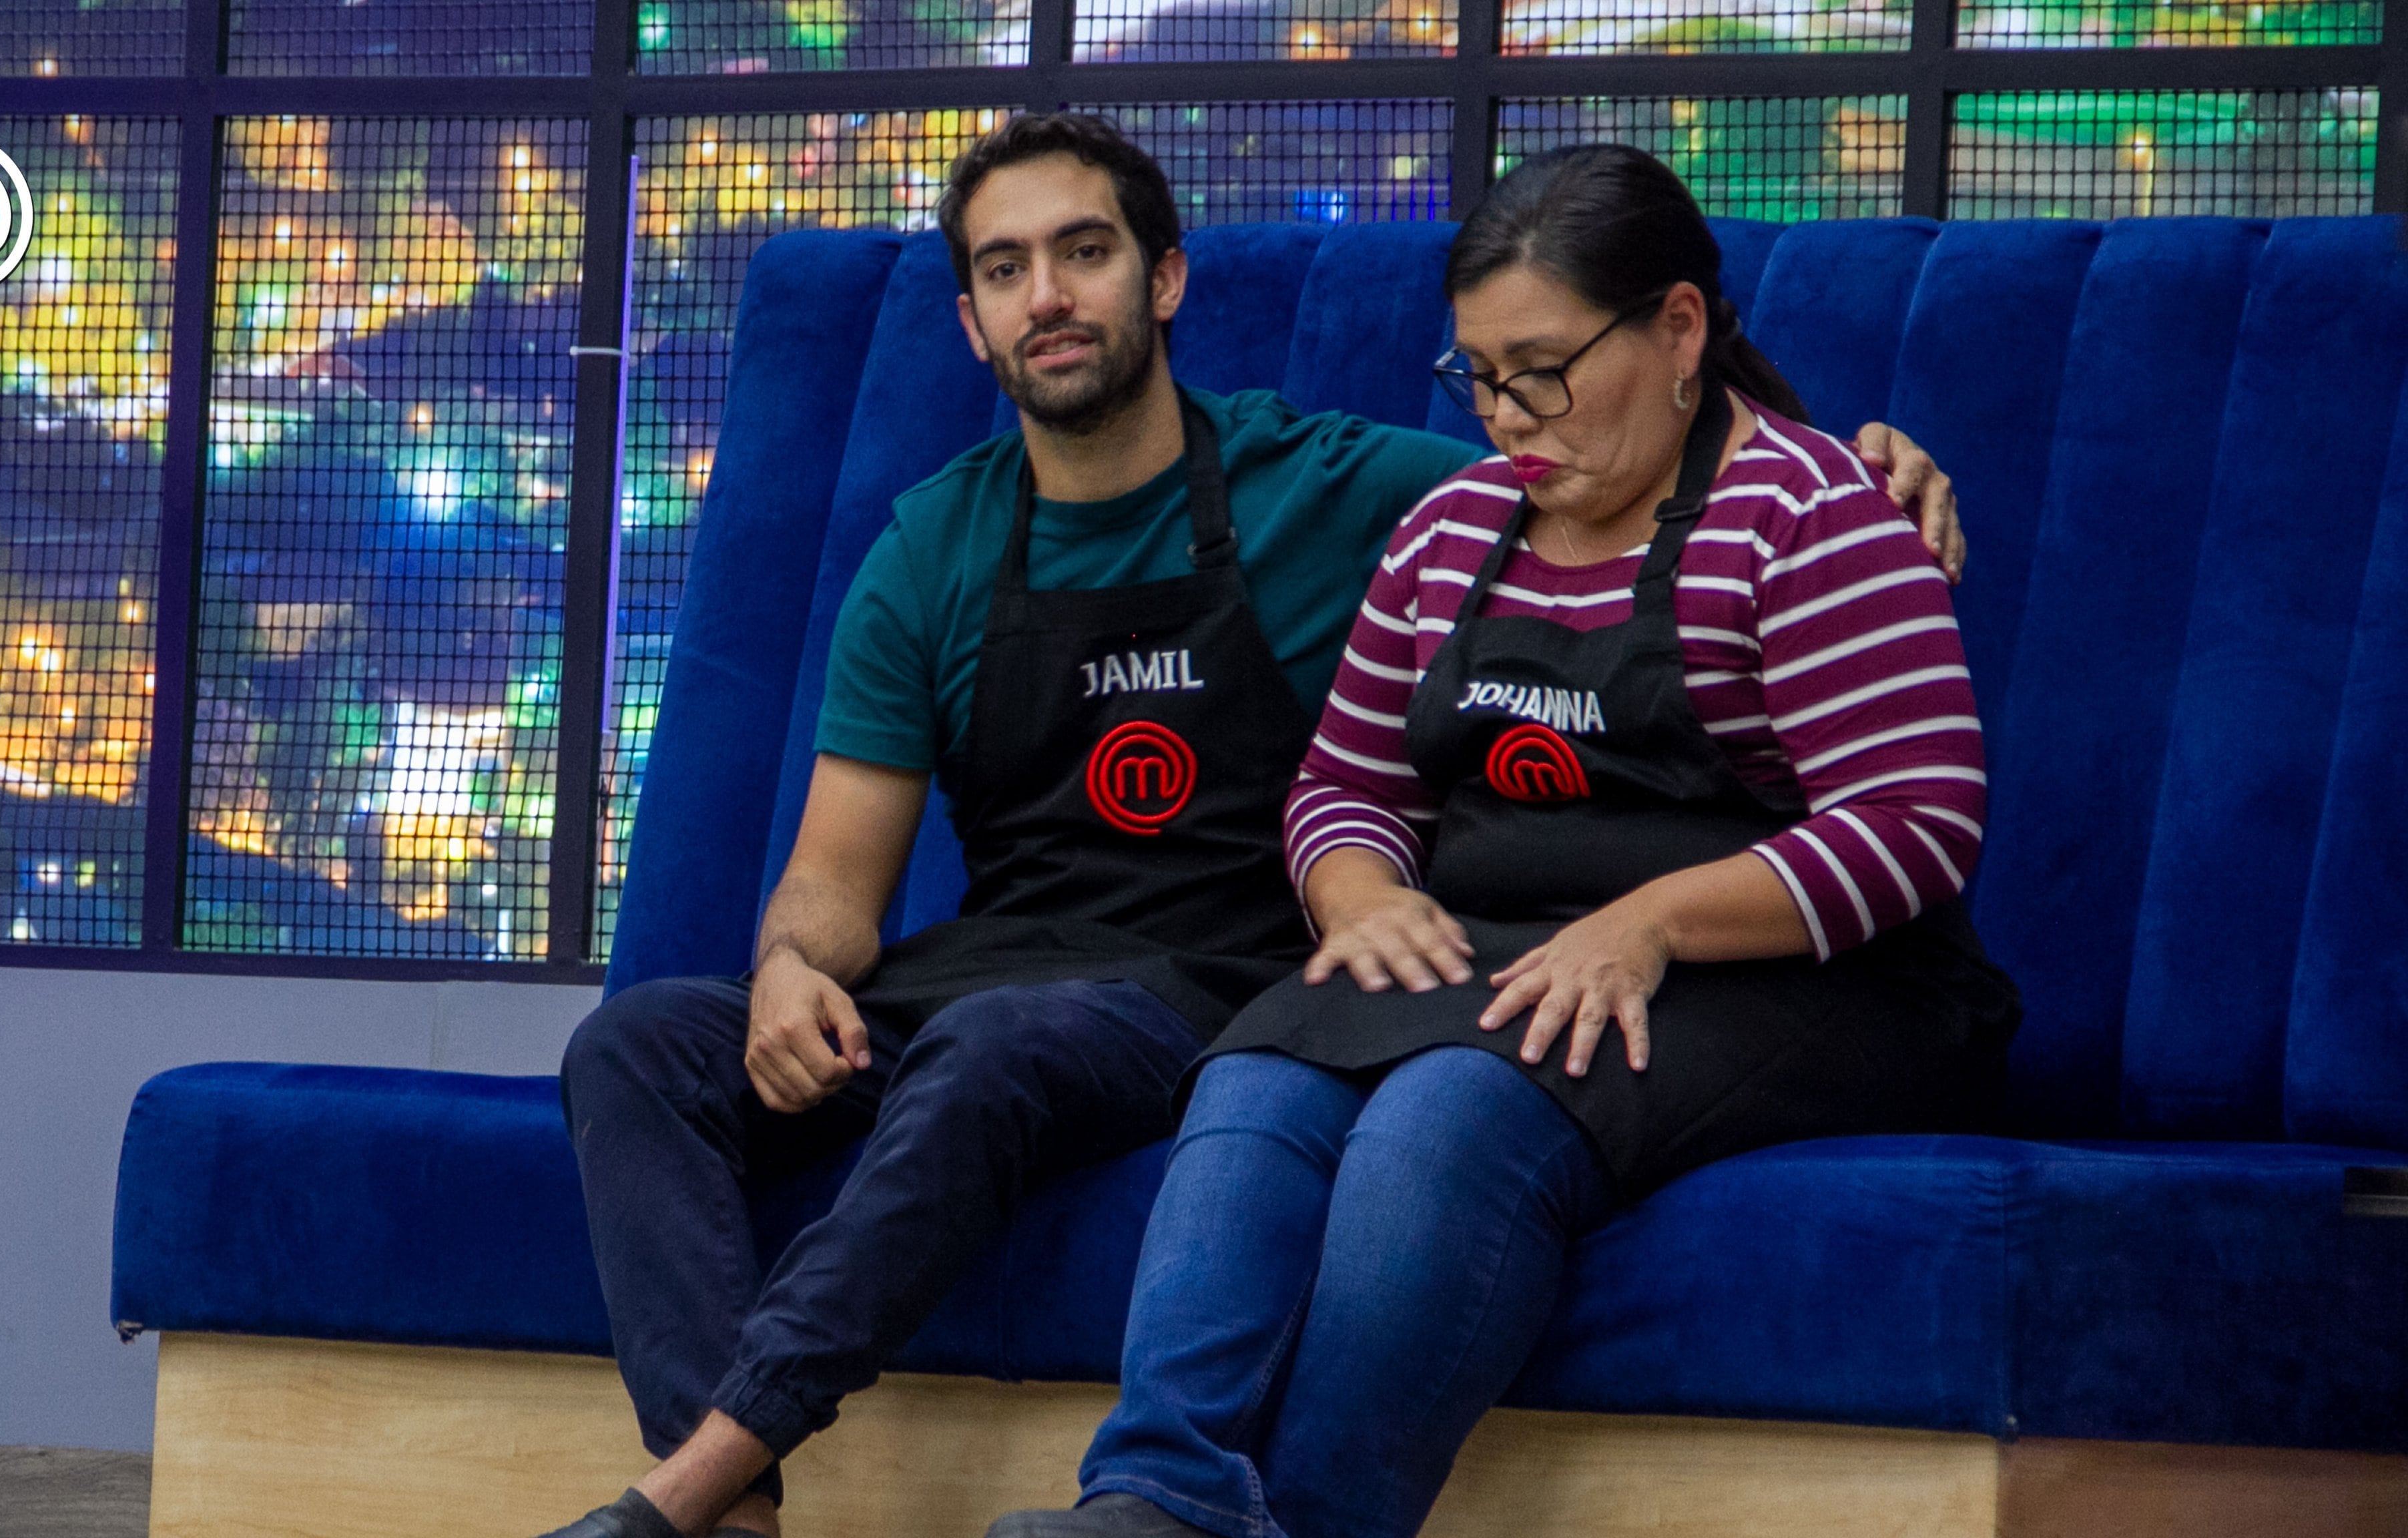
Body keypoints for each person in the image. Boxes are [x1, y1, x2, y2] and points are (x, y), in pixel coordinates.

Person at [545, 119, 1965, 1538]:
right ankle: (891, 1507)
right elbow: (1339, 782)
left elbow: (1682, 458)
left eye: (1083, 252)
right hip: (1085, 965)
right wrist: (795, 967)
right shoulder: (965, 545)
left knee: (1354, 1095)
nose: (1511, 416)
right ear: (966, 321)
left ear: (1163, 280)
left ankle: (714, 1490)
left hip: (1212, 980)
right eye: (1003, 267)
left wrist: (1859, 457)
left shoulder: (1350, 486)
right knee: (648, 1046)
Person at [988, 144, 2022, 1538]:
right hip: (1521, 954)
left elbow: (1913, 824)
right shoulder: (1451, 530)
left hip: (1816, 978)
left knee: (1447, 1110)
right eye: (1474, 377)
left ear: (1674, 329)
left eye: (1541, 369)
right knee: (1257, 1076)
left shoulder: (1812, 519)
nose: (1506, 419)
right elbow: (1342, 790)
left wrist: (1648, 925)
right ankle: (1155, 1501)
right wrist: (1352, 896)